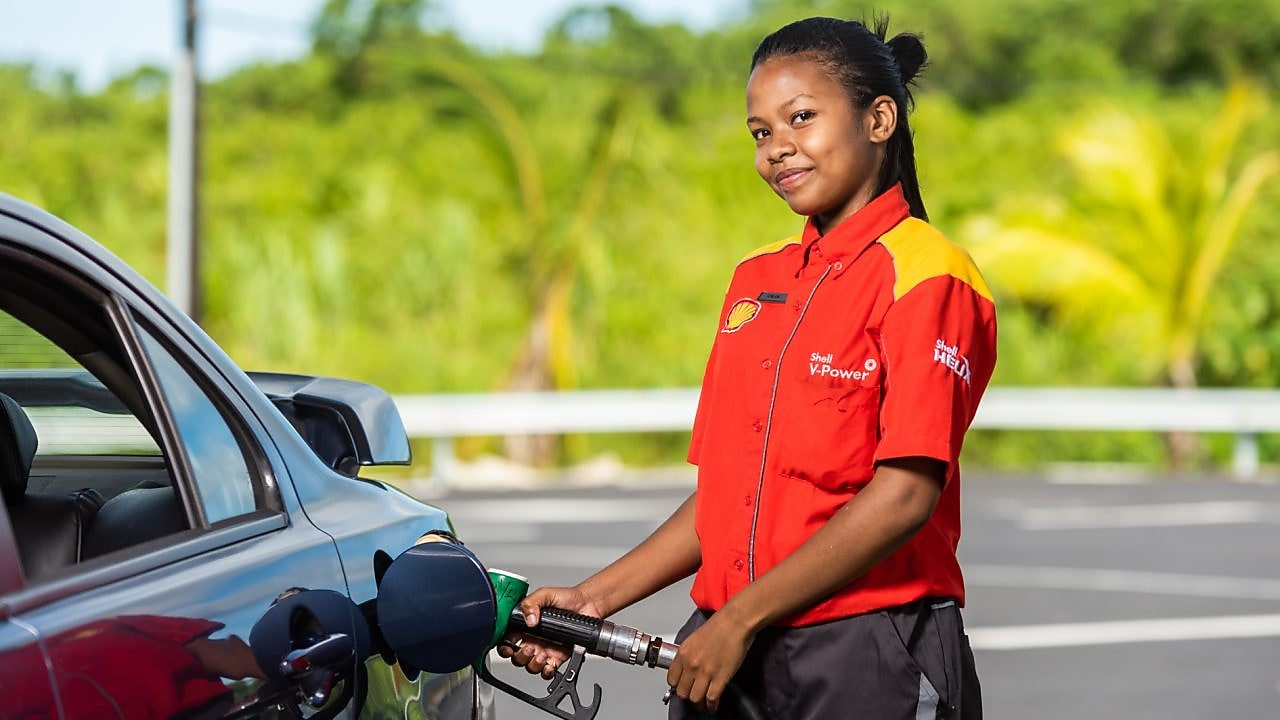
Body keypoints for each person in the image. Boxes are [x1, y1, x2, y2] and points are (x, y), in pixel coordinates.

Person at [500, 16, 996, 719]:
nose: (777, 148)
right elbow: (723, 500)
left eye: (801, 117)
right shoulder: (756, 281)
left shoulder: (930, 274)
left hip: (865, 649)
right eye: (760, 132)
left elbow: (905, 496)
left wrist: (739, 620)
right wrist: (593, 599)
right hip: (725, 651)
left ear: (879, 119)